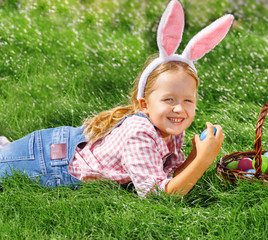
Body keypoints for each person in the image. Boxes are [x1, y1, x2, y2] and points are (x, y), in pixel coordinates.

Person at [0, 0, 233, 197]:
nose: (179, 109)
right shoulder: (140, 134)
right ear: (145, 105)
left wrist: (194, 154)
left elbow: (169, 175)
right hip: (49, 164)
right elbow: (158, 195)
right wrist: (203, 159)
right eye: (168, 100)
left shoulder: (169, 125)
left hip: (61, 146)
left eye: (187, 101)